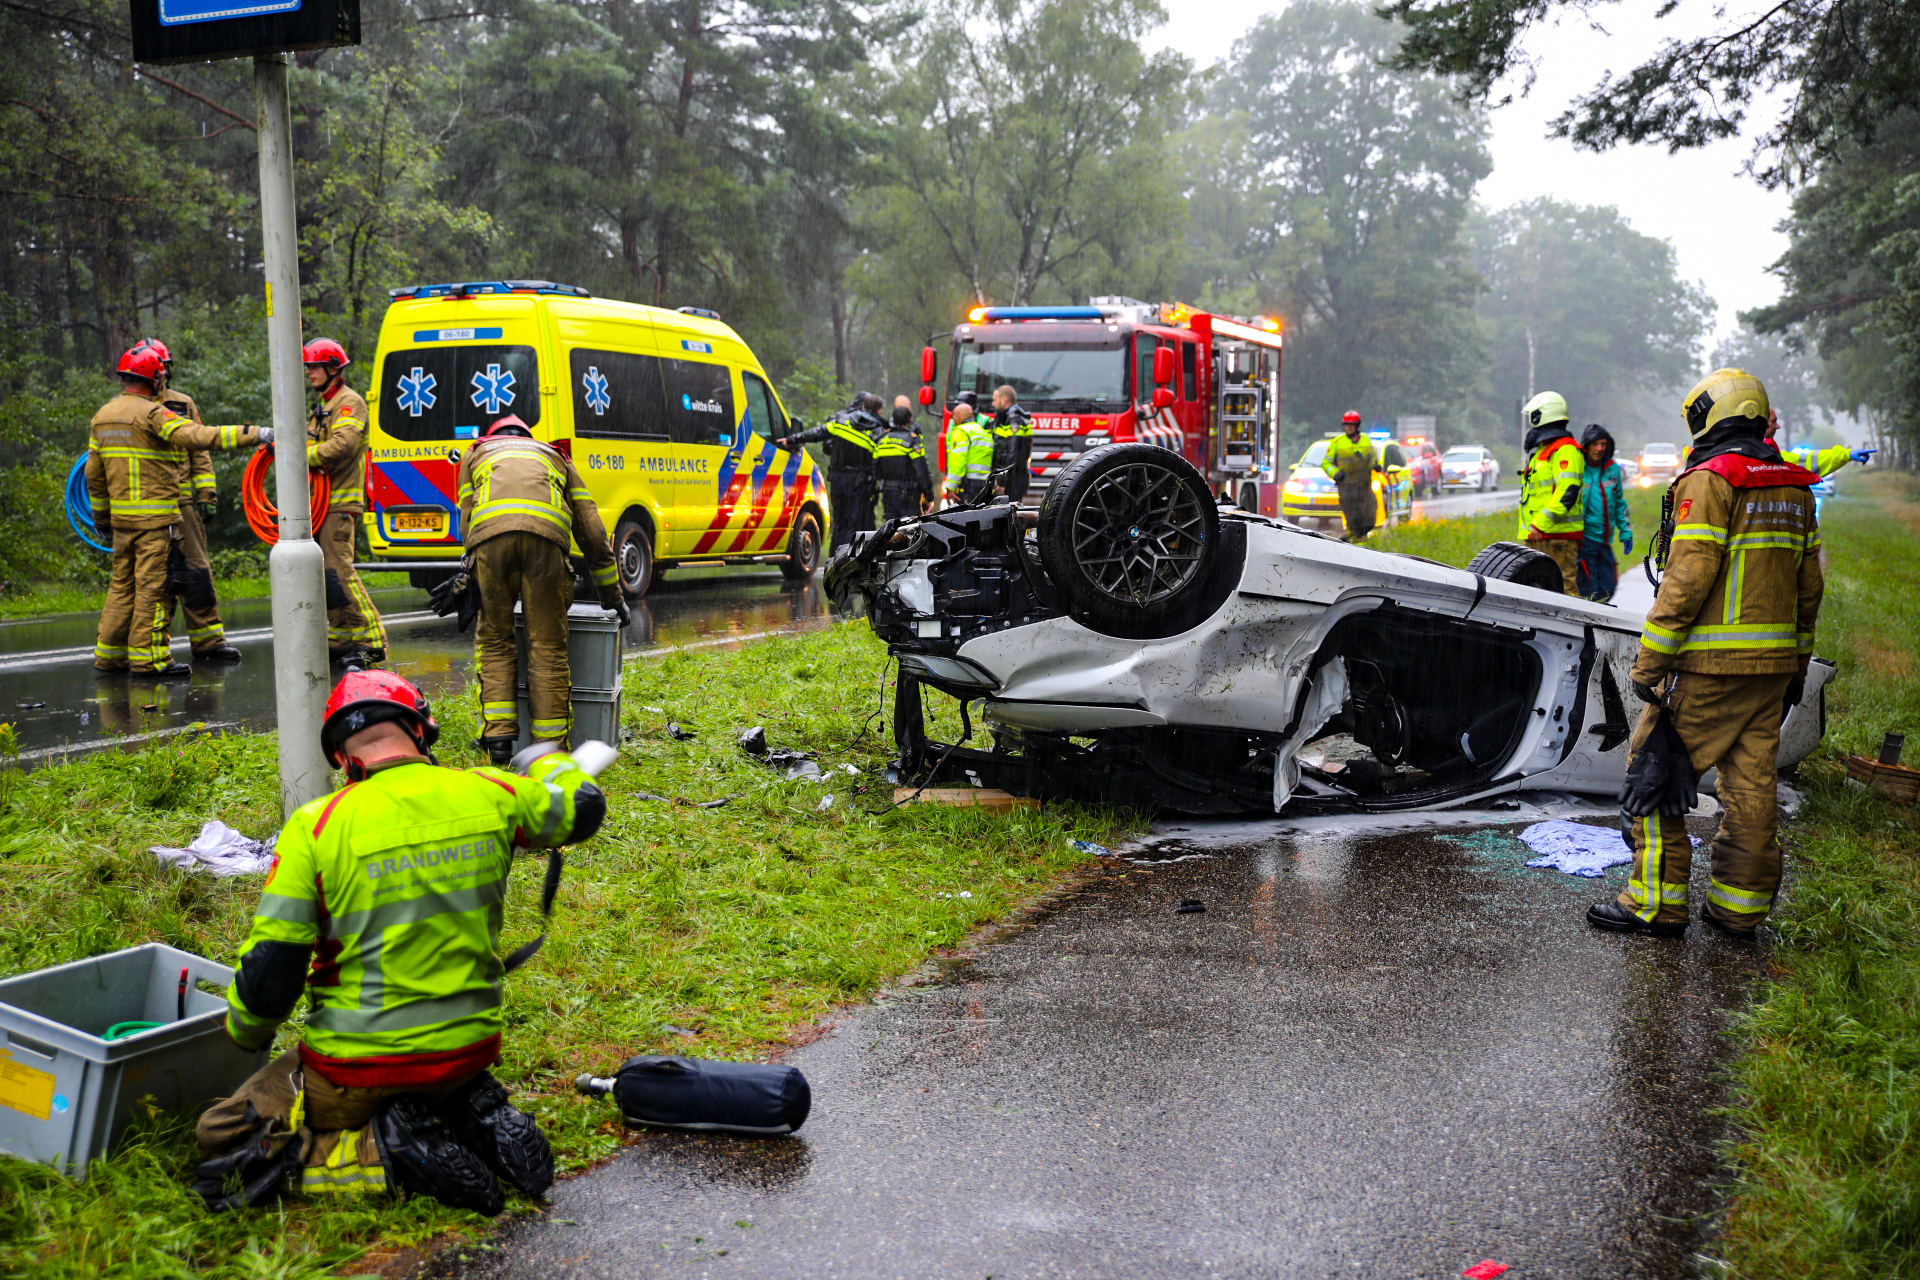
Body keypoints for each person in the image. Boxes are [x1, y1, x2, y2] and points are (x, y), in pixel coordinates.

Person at [195, 670, 605, 1205]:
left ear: (341, 758)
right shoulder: (491, 790)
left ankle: (381, 1154)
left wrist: (245, 1031)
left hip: (358, 1067)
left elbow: (274, 970)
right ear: (421, 730)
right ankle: (461, 1109)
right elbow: (583, 807)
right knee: (440, 1079)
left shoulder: (315, 827)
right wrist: (550, 762)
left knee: (224, 1134)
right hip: (469, 1049)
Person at [1587, 369, 1823, 940]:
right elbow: (1810, 587)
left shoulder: (1712, 480)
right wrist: (1796, 663)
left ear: (1715, 415)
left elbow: (1687, 579)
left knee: (1654, 774)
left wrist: (1650, 663)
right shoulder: (1794, 487)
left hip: (1708, 670)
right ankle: (1738, 910)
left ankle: (1655, 905)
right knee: (1750, 790)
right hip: (1771, 673)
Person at [88, 340, 265, 679]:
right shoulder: (153, 413)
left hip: (126, 520)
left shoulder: (104, 415)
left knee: (123, 587)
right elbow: (201, 438)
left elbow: (94, 476)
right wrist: (255, 434)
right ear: (154, 377)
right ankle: (149, 660)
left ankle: (110, 656)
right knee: (156, 587)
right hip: (157, 518)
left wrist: (102, 519)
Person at [458, 414, 625, 766]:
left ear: (494, 437)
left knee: (495, 642)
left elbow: (468, 516)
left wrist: (473, 567)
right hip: (547, 547)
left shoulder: (476, 454)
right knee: (547, 648)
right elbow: (592, 528)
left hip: (490, 544)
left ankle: (499, 741)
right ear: (528, 437)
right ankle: (548, 752)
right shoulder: (555, 456)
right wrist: (612, 595)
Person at [148, 341, 241, 663]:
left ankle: (209, 642)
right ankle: (150, 650)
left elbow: (199, 449)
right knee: (156, 577)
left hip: (184, 507)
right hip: (148, 508)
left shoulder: (182, 404)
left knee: (197, 573)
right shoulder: (131, 408)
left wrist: (207, 495)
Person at [302, 338, 387, 667]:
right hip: (320, 504)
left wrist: (300, 456)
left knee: (340, 571)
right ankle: (341, 636)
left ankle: (371, 637)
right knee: (326, 575)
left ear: (333, 368)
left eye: (315, 366)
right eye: (308, 367)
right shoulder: (323, 405)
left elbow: (342, 446)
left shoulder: (349, 402)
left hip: (340, 501)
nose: (309, 372)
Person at [777, 392, 883, 554]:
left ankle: (835, 560)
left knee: (839, 524)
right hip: (860, 484)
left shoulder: (841, 421)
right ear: (879, 411)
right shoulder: (878, 430)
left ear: (862, 406)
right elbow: (881, 461)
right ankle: (853, 561)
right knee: (856, 524)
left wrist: (792, 439)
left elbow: (817, 433)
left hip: (838, 481)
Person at [1516, 391, 1585, 593]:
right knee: (1537, 591)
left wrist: (1541, 524)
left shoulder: (1565, 450)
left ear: (1541, 416)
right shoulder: (1543, 452)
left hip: (1556, 537)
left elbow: (1568, 492)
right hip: (1541, 535)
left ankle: (1573, 625)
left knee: (1564, 589)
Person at [1576, 423, 1633, 602]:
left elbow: (1619, 504)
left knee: (1609, 586)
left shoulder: (1612, 470)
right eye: (1595, 444)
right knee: (1589, 589)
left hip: (1604, 542)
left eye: (1603, 444)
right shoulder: (1577, 468)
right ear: (1586, 445)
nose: (1600, 448)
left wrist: (1626, 532)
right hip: (1583, 541)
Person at [1321, 411, 1378, 542]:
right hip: (1347, 487)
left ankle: (1355, 537)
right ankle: (1354, 539)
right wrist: (1335, 474)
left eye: (1352, 424)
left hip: (1364, 486)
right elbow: (1325, 463)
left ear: (1357, 425)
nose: (1349, 427)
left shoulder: (1365, 440)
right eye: (1347, 425)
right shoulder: (1337, 442)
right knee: (1353, 517)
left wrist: (1376, 465)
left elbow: (1372, 458)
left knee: (1369, 515)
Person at [875, 402, 934, 522]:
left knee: (891, 530)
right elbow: (921, 470)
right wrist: (929, 496)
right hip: (909, 495)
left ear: (894, 420)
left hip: (888, 493)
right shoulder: (912, 440)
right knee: (909, 529)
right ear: (909, 420)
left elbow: (875, 469)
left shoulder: (882, 440)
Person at [941, 401, 995, 504]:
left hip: (969, 485)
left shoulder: (961, 432)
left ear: (958, 417)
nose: (953, 420)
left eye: (953, 417)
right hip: (985, 484)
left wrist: (950, 487)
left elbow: (958, 462)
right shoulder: (983, 432)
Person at [989, 384, 1034, 501]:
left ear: (1004, 400)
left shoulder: (1014, 420)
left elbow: (1011, 454)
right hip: (1013, 478)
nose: (993, 404)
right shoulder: (1005, 418)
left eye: (995, 400)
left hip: (1013, 480)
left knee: (1010, 512)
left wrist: (1002, 482)